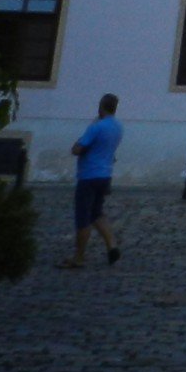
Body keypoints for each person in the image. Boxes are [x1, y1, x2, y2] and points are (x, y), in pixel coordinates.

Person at [63, 93, 123, 268]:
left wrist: (77, 143)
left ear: (101, 106)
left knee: (83, 217)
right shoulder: (118, 127)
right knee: (96, 212)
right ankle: (112, 245)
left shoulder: (97, 127)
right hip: (105, 175)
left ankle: (79, 257)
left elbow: (77, 149)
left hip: (89, 175)